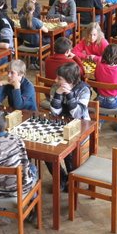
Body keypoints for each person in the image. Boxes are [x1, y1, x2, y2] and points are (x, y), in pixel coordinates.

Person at [48, 62, 91, 190]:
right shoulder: (56, 87)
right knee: (47, 150)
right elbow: (54, 112)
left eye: (59, 78)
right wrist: (58, 94)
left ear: (70, 81)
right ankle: (62, 178)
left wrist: (69, 94)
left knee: (69, 150)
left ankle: (72, 181)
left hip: (81, 126)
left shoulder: (84, 90)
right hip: (61, 125)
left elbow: (77, 114)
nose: (55, 80)